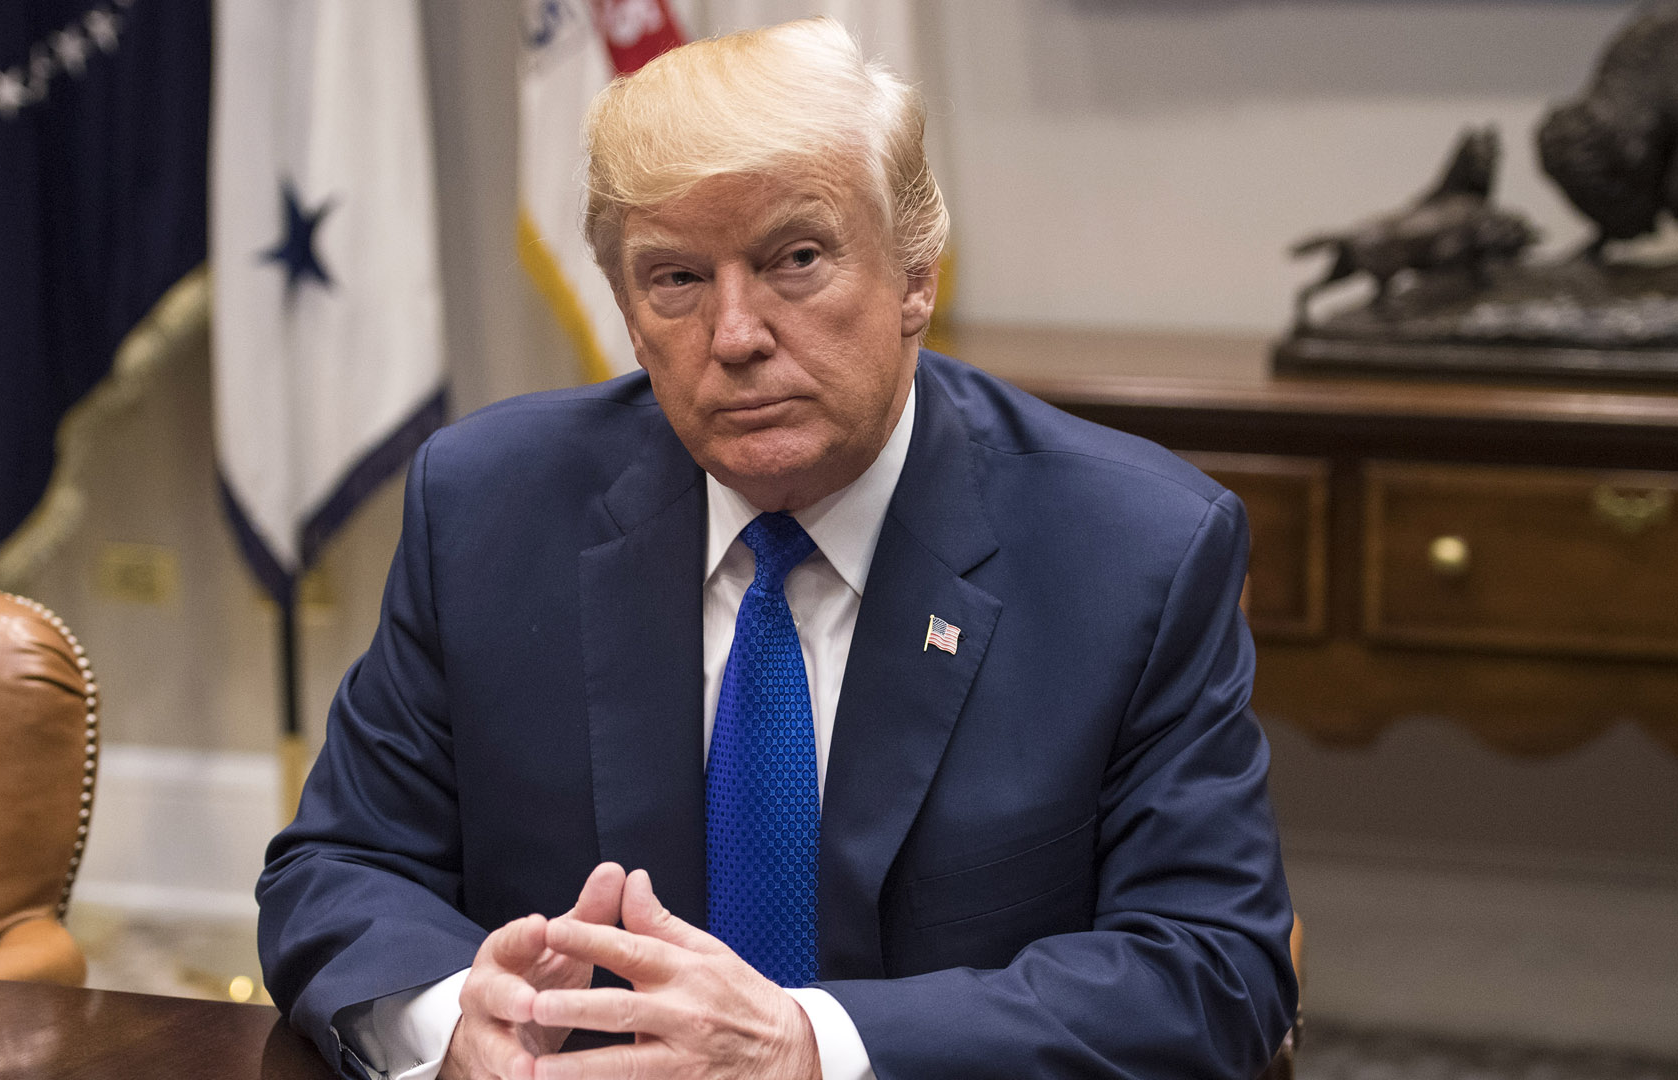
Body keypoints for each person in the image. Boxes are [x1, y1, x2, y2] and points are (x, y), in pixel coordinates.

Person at [258, 17, 1296, 1080]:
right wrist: (455, 1025)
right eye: (676, 279)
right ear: (625, 306)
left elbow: (1213, 968)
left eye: (795, 259)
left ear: (914, 279)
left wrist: (809, 1050)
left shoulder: (1134, 551)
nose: (737, 334)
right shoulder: (486, 507)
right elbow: (338, 867)